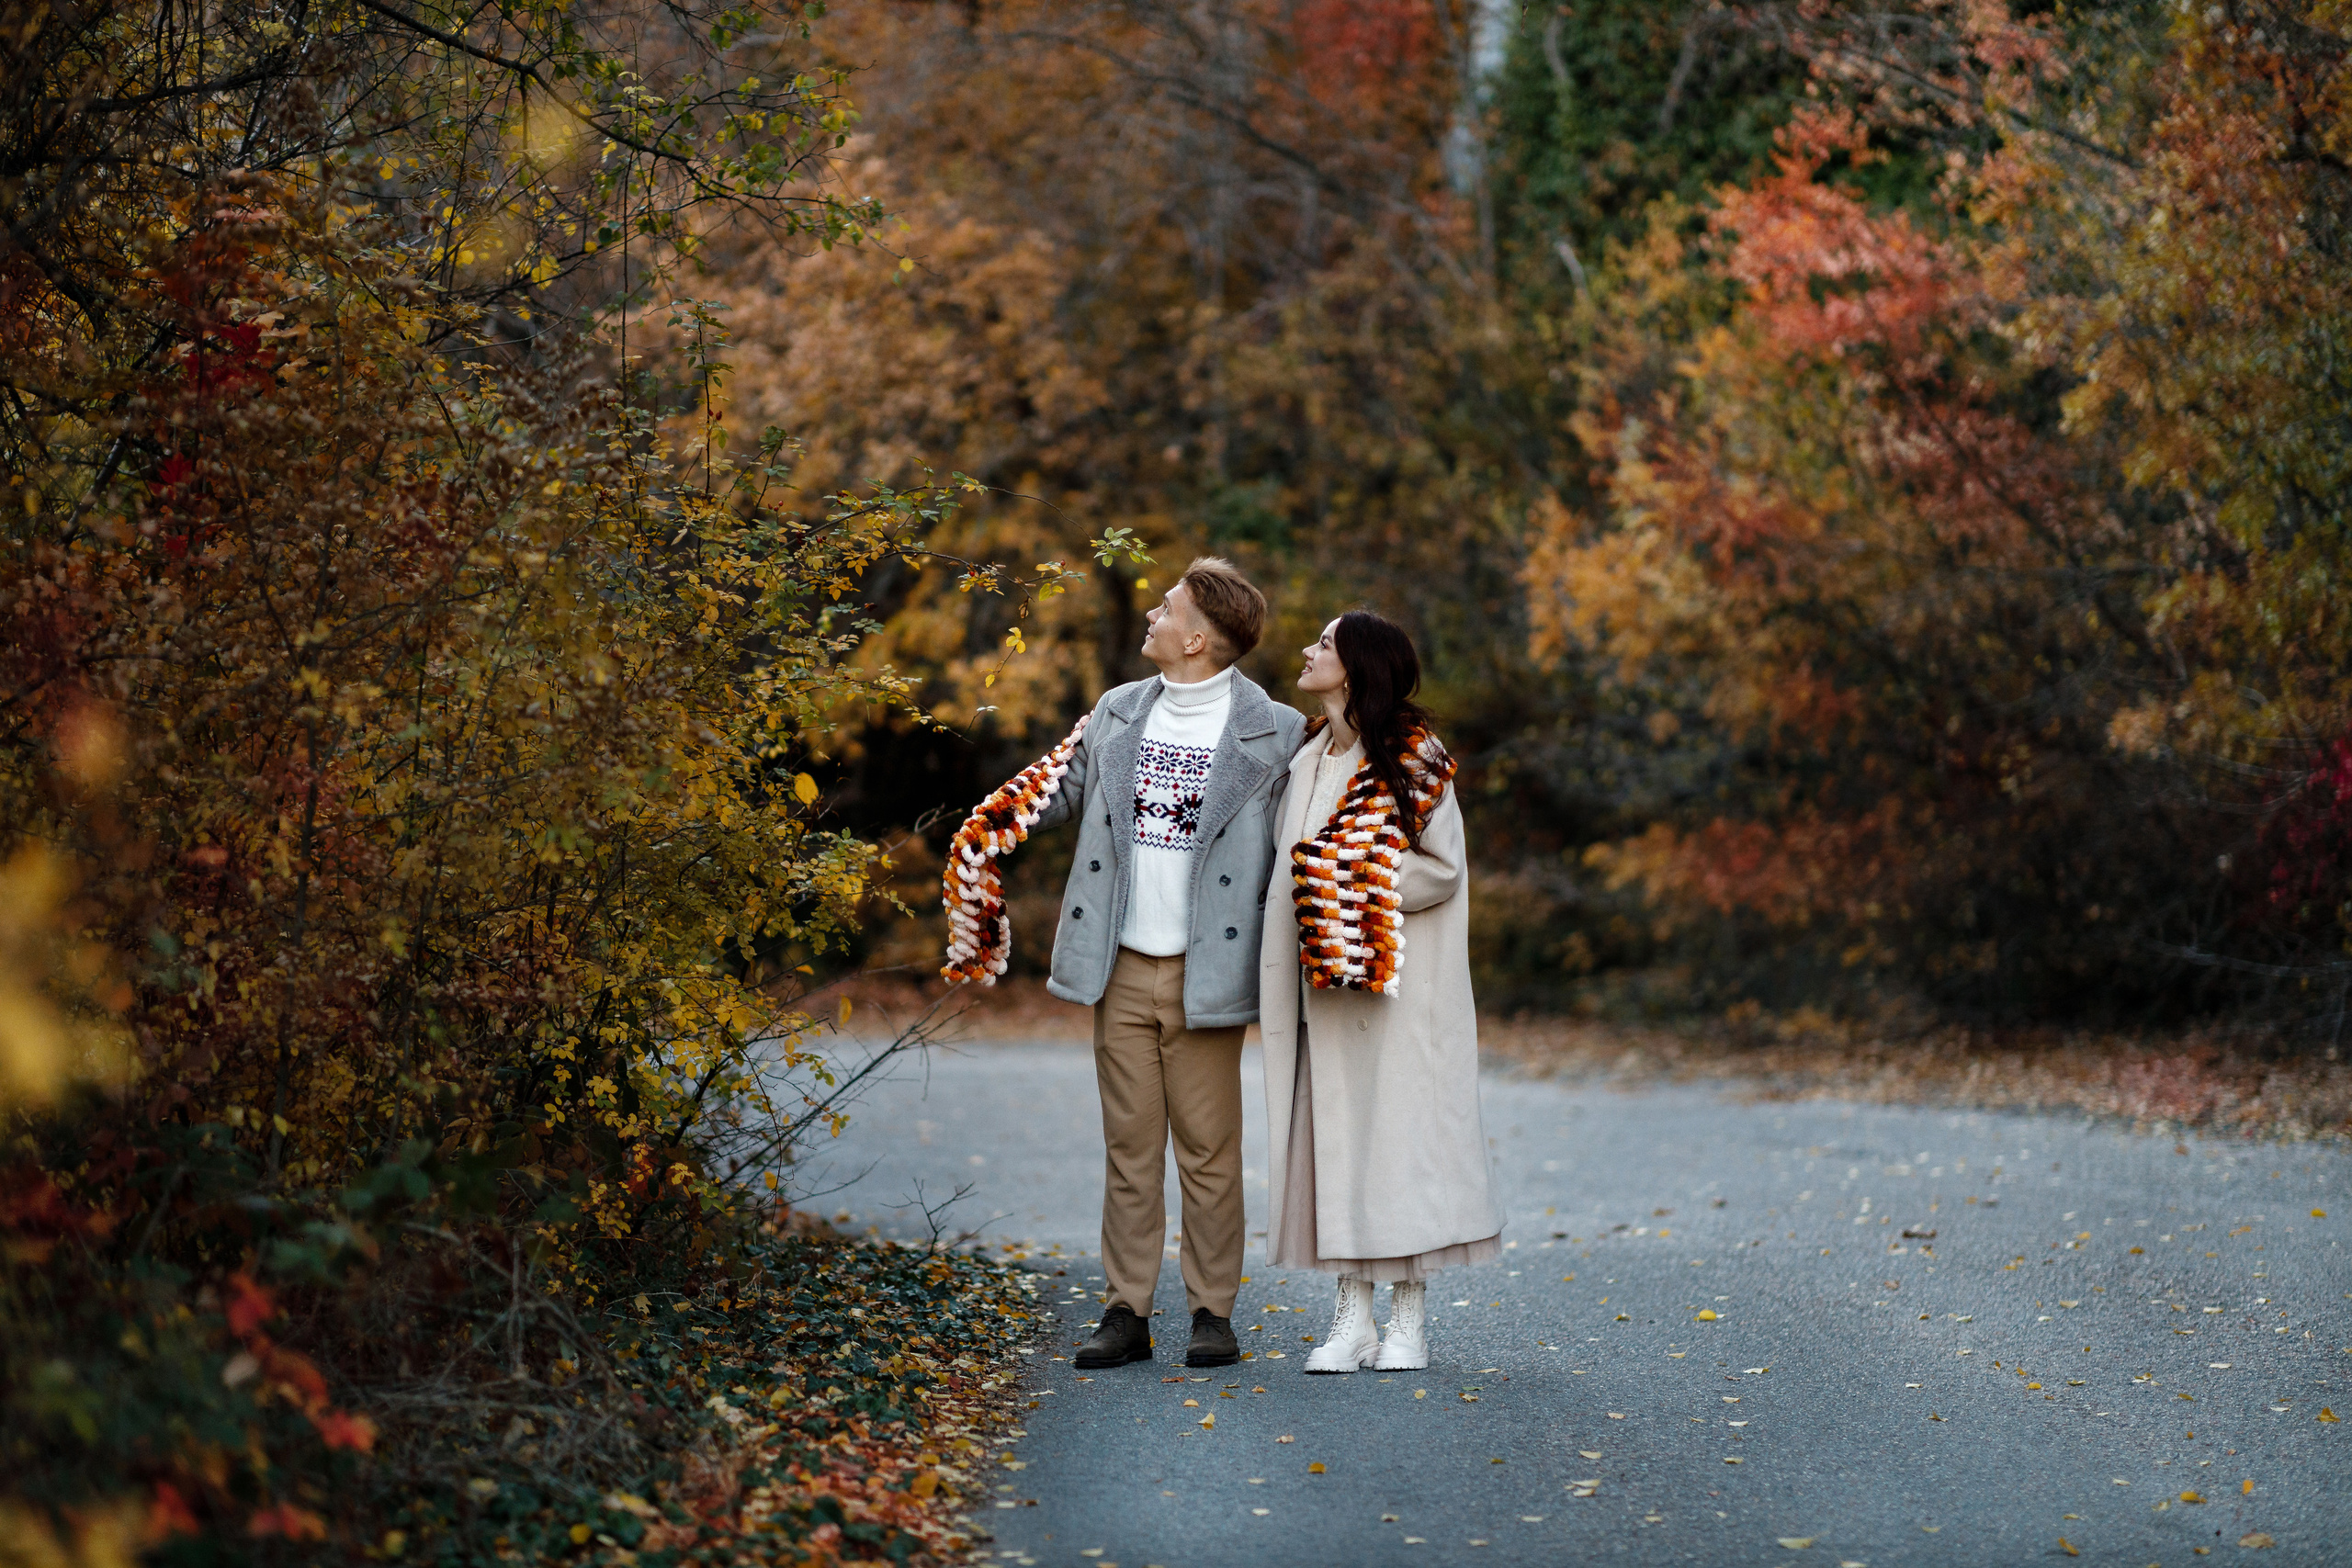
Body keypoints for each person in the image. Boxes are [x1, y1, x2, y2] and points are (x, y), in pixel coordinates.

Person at [1013, 558, 1307, 1370]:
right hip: (1121, 964)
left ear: (1199, 636)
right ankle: (1126, 1310)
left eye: (1167, 604)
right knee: (1129, 1148)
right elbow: (1056, 792)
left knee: (1209, 1151)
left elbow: (1303, 837)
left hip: (1208, 969)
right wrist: (986, 833)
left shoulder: (1275, 729)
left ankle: (1212, 1311)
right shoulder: (1117, 711)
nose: (1151, 610)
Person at [1258, 610, 1502, 1372]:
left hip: (1398, 988)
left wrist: (1350, 882)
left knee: (1400, 1147)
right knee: (1337, 1143)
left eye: (1323, 644)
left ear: (1358, 665)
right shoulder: (1303, 755)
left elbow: (1443, 869)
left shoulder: (1415, 757)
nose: (1306, 650)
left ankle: (1408, 1319)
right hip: (1322, 989)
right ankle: (1351, 1317)